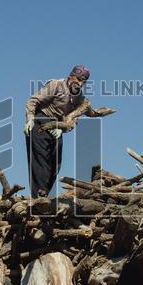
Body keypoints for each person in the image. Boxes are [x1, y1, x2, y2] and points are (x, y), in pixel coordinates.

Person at [23, 65, 90, 197]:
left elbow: (73, 119)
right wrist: (30, 119)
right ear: (70, 76)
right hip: (40, 121)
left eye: (83, 81)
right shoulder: (56, 85)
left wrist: (63, 129)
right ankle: (38, 196)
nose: (80, 83)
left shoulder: (79, 98)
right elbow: (33, 101)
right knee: (40, 161)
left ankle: (45, 193)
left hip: (57, 127)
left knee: (56, 164)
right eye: (78, 79)